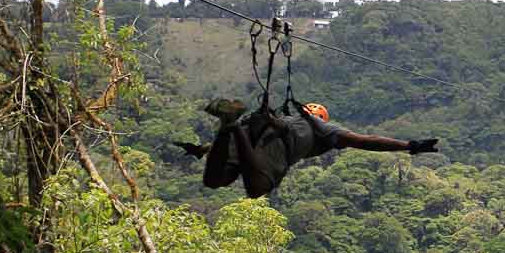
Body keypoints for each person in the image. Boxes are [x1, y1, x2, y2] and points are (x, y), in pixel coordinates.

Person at [175, 99, 439, 198]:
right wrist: (410, 146)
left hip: (248, 136)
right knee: (257, 189)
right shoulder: (322, 128)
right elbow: (364, 140)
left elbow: (228, 147)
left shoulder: (289, 117)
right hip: (273, 151)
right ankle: (230, 124)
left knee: (214, 180)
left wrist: (202, 149)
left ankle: (227, 125)